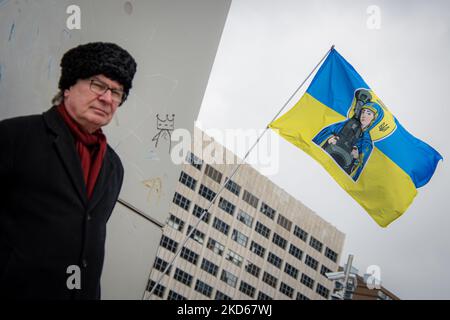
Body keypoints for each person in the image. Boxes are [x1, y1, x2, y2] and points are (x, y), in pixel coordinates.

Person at [0, 42, 137, 299]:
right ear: (68, 87)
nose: (107, 98)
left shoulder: (114, 167)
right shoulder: (16, 136)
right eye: (98, 85)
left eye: (117, 92)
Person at [312, 102, 382, 181]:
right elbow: (327, 131)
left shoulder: (366, 142)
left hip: (338, 174)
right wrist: (329, 139)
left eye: (369, 114)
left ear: (374, 118)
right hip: (323, 160)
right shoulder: (347, 124)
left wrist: (356, 157)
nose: (364, 115)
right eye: (363, 112)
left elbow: (361, 169)